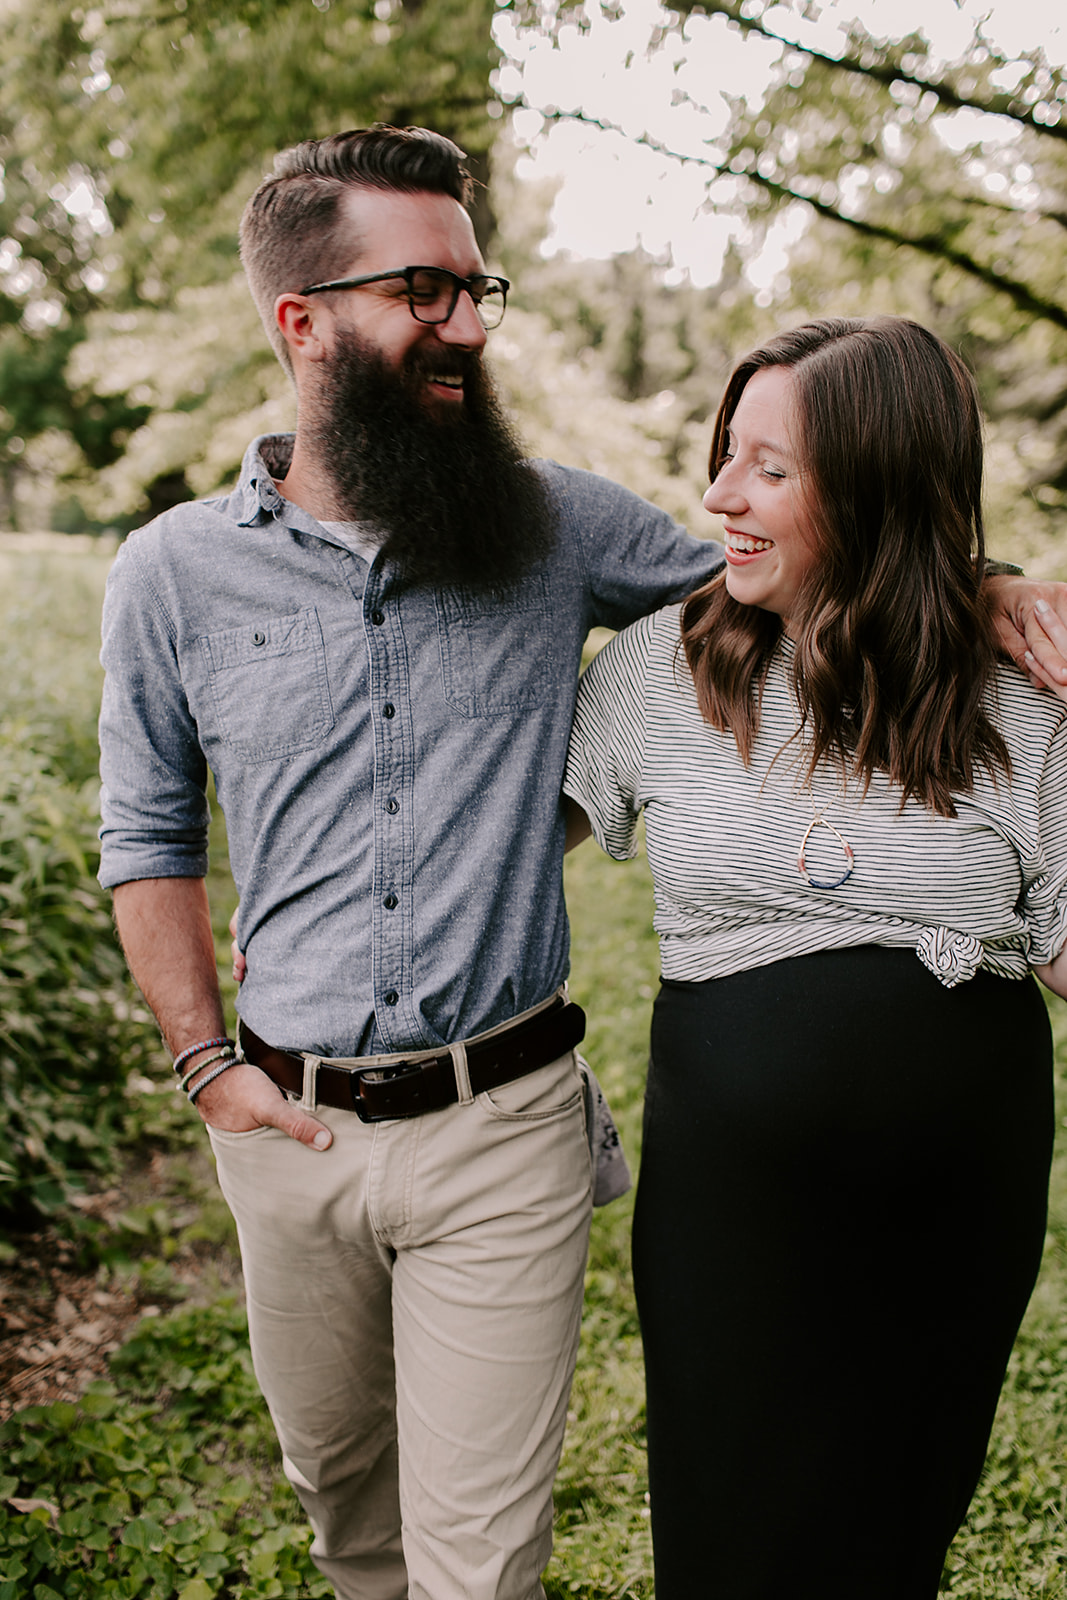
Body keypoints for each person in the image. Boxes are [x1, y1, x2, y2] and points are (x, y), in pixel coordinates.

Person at [96, 125, 727, 1600]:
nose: (466, 327)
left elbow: (773, 592)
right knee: (347, 1516)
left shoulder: (559, 524)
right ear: (301, 323)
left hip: (501, 1127)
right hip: (282, 1135)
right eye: (422, 294)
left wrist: (991, 588)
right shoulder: (172, 573)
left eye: (471, 289)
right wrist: (208, 1071)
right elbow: (147, 837)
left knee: (480, 1563)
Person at [562, 315, 1067, 1599]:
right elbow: (491, 856)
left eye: (768, 469)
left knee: (895, 1526)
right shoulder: (656, 676)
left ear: (881, 489)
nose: (720, 496)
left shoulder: (1015, 697)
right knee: (729, 1523)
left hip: (954, 1201)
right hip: (731, 1202)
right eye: (727, 456)